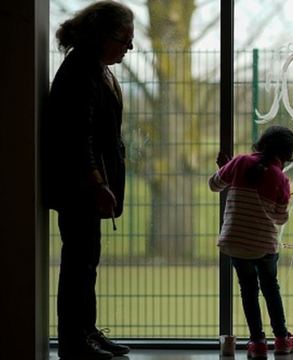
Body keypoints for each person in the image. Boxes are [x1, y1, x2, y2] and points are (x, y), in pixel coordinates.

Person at [42, 1, 134, 359]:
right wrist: (95, 183)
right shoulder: (82, 69)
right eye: (124, 40)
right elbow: (75, 134)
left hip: (85, 188)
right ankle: (74, 341)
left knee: (85, 261)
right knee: (79, 264)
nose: (129, 48)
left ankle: (85, 332)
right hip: (81, 189)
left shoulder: (91, 65)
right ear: (102, 37)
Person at [208, 126, 293, 359]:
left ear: (260, 144)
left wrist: (225, 169)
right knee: (271, 289)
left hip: (236, 242)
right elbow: (279, 219)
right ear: (287, 156)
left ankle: (257, 343)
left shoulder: (239, 163)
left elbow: (214, 184)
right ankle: (281, 339)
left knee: (248, 291)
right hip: (264, 245)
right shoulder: (281, 178)